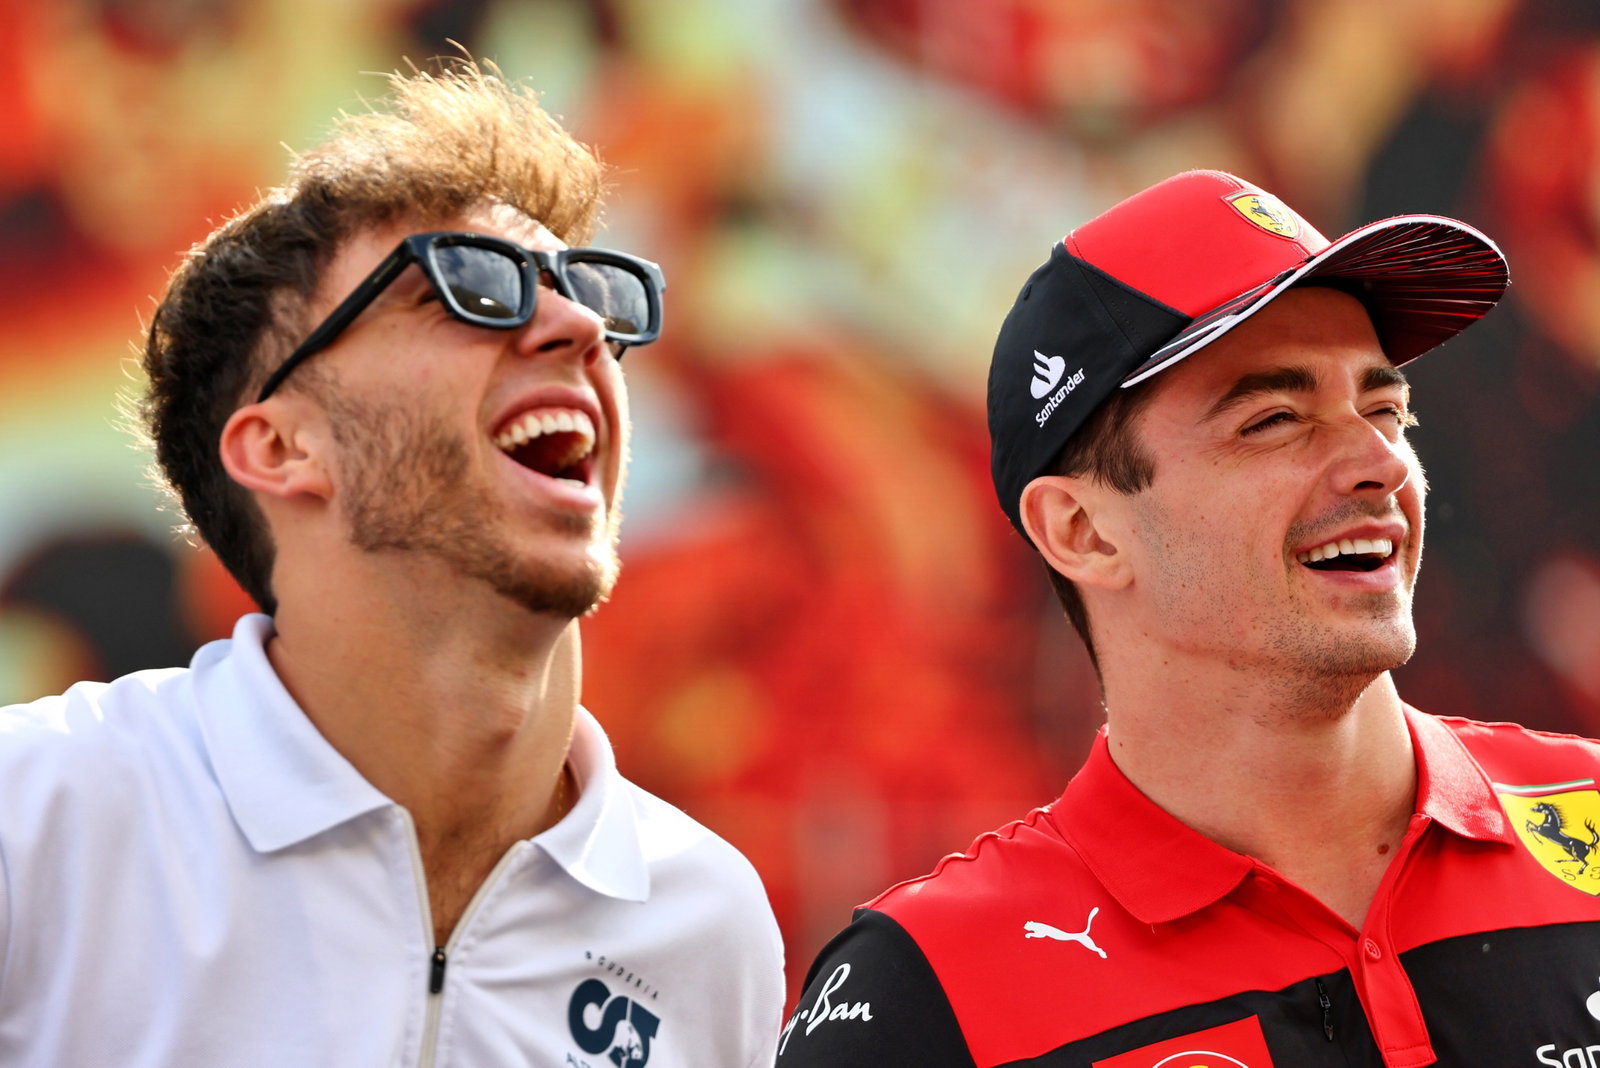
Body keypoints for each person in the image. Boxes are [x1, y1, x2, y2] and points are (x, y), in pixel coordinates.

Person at [0, 61, 783, 1067]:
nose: (584, 329)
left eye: (591, 294)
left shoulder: (709, 929)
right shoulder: (38, 818)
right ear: (282, 448)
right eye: (472, 288)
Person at [778, 169, 1600, 1066]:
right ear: (1084, 531)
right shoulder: (925, 993)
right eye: (1275, 419)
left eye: (1385, 408)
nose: (1381, 462)